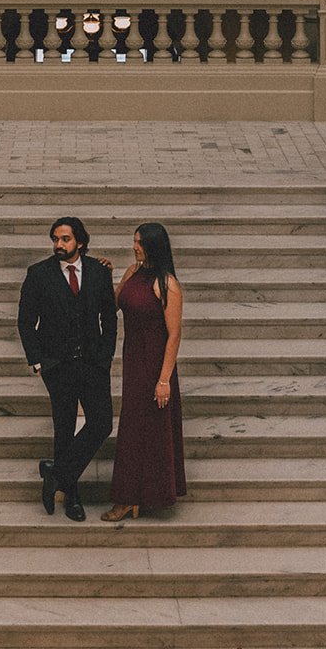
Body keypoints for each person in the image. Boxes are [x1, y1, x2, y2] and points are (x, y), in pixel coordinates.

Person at [16, 215, 116, 523]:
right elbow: (25, 320)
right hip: (57, 365)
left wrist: (105, 357)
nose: (59, 245)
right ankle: (71, 495)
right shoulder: (38, 274)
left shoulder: (99, 273)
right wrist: (37, 360)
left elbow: (110, 319)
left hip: (92, 364)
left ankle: (55, 472)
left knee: (101, 423)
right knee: (64, 427)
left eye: (65, 239)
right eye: (56, 239)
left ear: (81, 242)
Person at [102, 221, 185, 522]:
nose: (134, 246)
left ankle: (131, 498)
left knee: (147, 430)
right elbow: (113, 305)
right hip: (133, 359)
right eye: (134, 240)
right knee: (132, 428)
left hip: (155, 364)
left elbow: (174, 335)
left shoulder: (168, 284)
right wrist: (106, 275)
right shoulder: (132, 272)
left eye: (139, 242)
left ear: (153, 245)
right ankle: (132, 496)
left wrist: (164, 380)